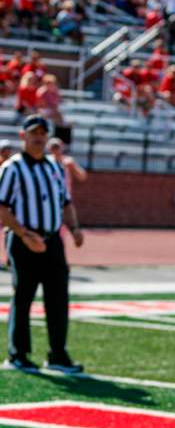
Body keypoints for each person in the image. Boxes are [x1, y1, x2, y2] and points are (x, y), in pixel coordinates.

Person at [0, 115, 84, 373]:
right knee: (23, 296)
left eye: (42, 133)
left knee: (58, 297)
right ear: (24, 136)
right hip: (25, 240)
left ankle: (58, 353)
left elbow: (65, 202)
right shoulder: (12, 168)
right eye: (33, 133)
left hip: (52, 239)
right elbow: (1, 207)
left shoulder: (55, 167)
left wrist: (74, 228)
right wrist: (24, 234)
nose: (38, 138)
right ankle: (18, 354)